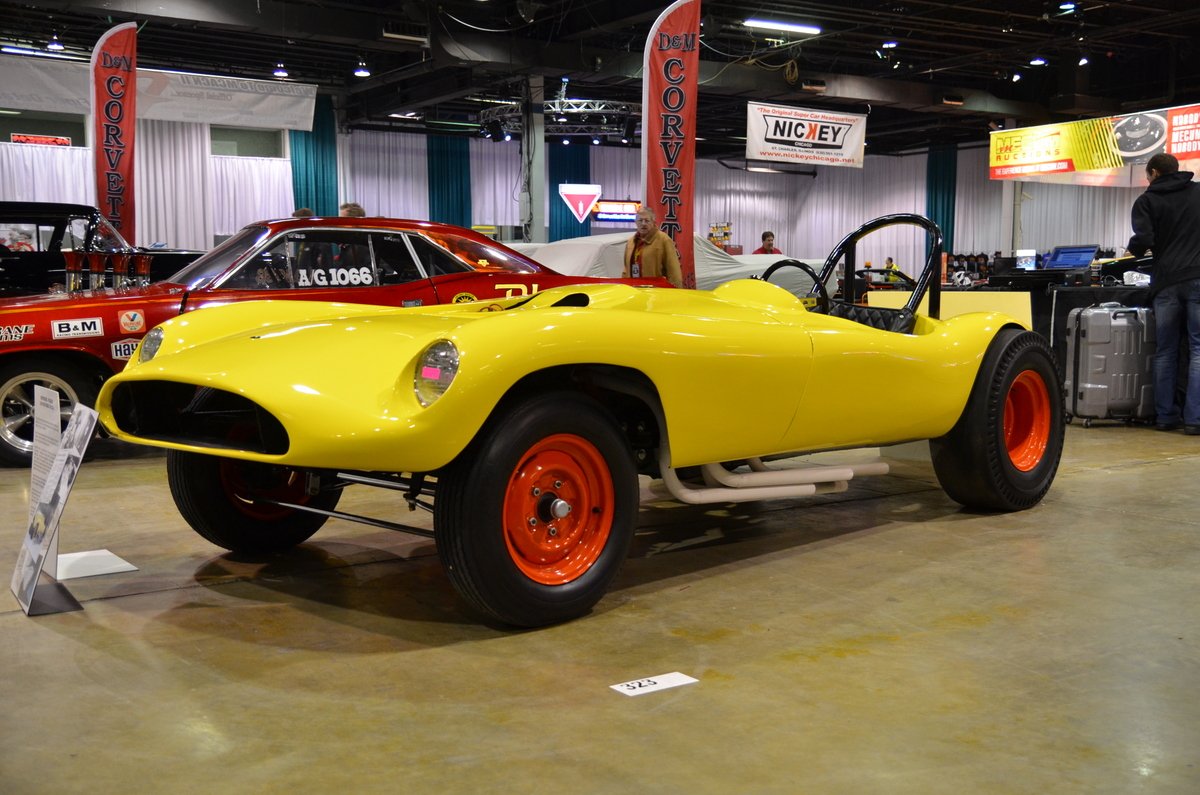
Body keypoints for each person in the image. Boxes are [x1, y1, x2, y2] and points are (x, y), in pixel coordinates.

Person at [1127, 153, 1200, 433]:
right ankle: (1194, 420)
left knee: (1165, 351)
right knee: (1198, 350)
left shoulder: (1147, 200)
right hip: (1197, 278)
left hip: (1166, 282)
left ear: (1154, 173)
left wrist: (1131, 252)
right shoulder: (1197, 191)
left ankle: (1165, 416)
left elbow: (1144, 239)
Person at [622, 207, 683, 287]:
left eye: (647, 220)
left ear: (653, 222)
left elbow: (674, 272)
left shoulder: (664, 240)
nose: (643, 223)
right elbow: (626, 271)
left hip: (656, 293)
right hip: (634, 292)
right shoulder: (631, 242)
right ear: (636, 222)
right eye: (640, 220)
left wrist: (676, 293)